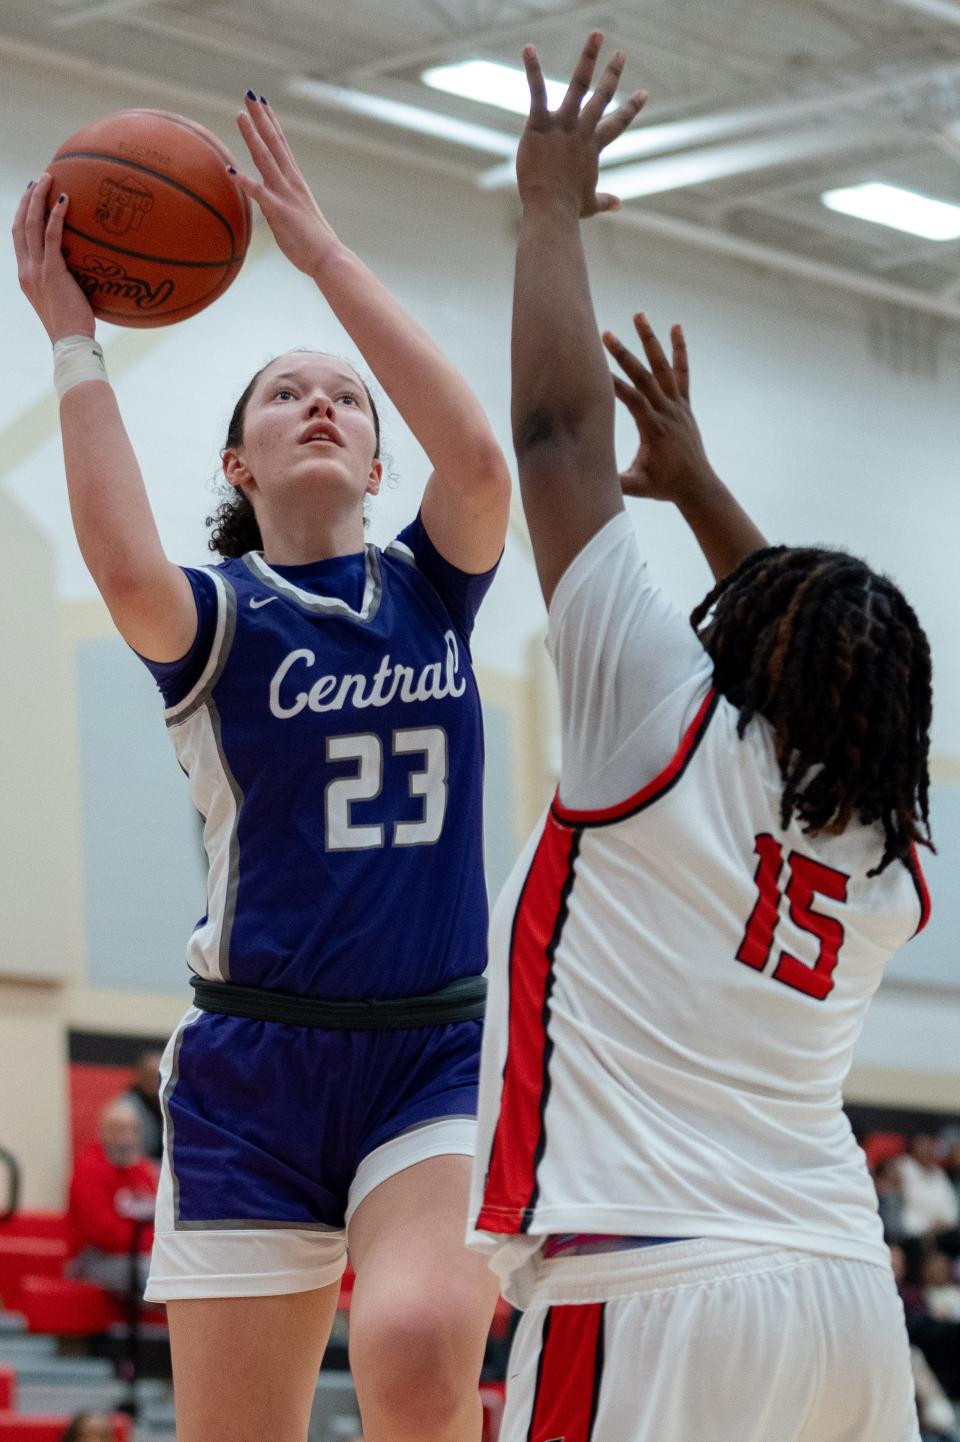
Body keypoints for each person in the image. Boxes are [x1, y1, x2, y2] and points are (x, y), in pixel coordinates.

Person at [13, 90, 509, 1442]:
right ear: (240, 457)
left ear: (374, 451)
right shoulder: (219, 619)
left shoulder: (433, 587)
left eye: (345, 395)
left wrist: (325, 260)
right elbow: (117, 560)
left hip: (432, 1050)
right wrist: (72, 334)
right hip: (251, 1066)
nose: (322, 400)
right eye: (287, 389)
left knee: (414, 1343)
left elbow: (477, 455)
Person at [467, 32, 934, 1442]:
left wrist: (548, 208)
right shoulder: (889, 861)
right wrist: (704, 485)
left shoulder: (652, 722)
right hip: (847, 1294)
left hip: (649, 1278)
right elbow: (817, 653)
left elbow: (554, 437)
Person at [66, 1099, 157, 1298]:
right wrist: (149, 1245)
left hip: (140, 1256)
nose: (127, 1137)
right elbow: (101, 1233)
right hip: (94, 1259)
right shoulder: (89, 1170)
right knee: (152, 1274)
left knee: (169, 1272)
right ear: (103, 1132)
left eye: (134, 1130)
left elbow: (159, 1220)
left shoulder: (144, 1171)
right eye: (118, 1129)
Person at [121, 1050, 163, 1162]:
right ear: (139, 1076)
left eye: (157, 1077)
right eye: (148, 1076)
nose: (153, 1082)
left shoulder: (172, 1103)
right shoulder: (126, 1107)